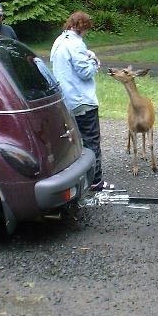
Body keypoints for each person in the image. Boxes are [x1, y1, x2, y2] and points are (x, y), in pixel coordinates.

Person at [50, 11, 113, 191]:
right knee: (92, 142)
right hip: (82, 101)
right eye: (86, 29)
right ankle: (96, 181)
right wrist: (95, 62)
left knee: (73, 142)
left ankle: (74, 180)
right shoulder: (76, 44)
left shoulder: (59, 41)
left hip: (66, 101)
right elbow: (85, 72)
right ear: (83, 27)